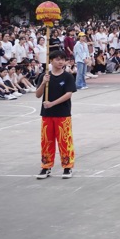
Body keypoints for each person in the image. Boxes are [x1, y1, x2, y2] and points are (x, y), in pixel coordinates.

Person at [35, 49, 77, 179]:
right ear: (51, 61)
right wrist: (43, 83)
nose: (60, 62)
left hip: (63, 114)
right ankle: (46, 166)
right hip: (47, 114)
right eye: (57, 59)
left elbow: (68, 94)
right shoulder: (44, 76)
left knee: (64, 140)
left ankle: (67, 166)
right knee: (46, 141)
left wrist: (52, 103)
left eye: (62, 59)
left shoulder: (68, 76)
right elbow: (38, 95)